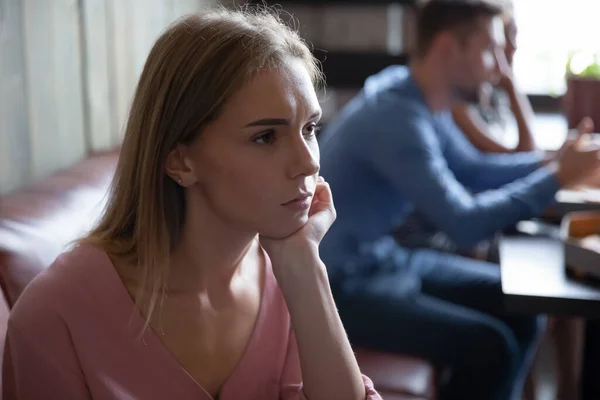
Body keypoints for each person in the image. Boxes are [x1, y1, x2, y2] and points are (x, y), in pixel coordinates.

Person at [2, 8, 381, 400]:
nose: (310, 161)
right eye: (266, 137)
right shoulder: (54, 316)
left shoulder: (287, 276)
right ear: (180, 160)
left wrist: (306, 268)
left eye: (310, 129)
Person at [317, 1, 600, 400]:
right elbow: (464, 223)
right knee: (491, 349)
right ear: (449, 48)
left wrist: (552, 161)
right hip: (345, 284)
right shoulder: (398, 119)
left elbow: (476, 169)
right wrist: (556, 177)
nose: (499, 68)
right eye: (490, 50)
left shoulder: (416, 95)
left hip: (385, 258)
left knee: (524, 310)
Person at [451, 5, 537, 154]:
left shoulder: (492, 93)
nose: (514, 46)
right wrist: (510, 85)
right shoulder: (458, 101)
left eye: (514, 36)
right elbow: (523, 154)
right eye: (507, 37)